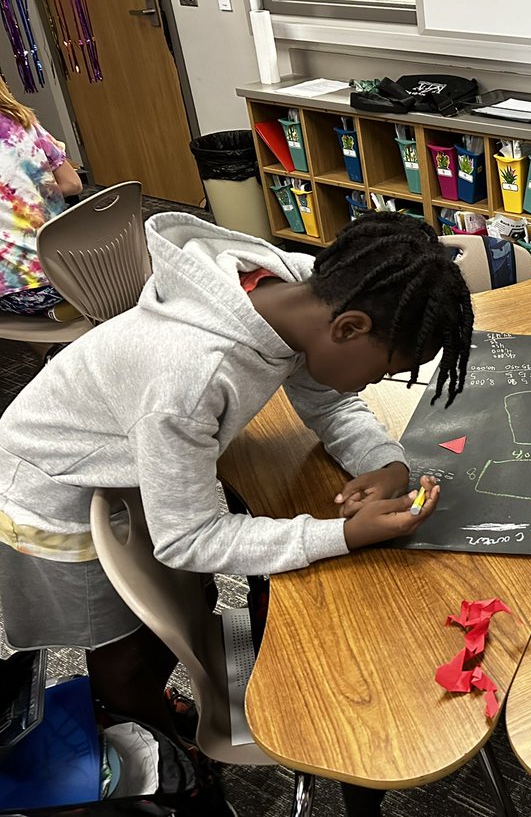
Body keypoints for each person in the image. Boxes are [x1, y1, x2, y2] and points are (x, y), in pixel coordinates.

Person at [0, 211, 474, 754]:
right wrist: (341, 536)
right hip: (54, 493)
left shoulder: (298, 295)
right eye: (385, 369)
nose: (377, 381)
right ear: (350, 328)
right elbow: (190, 539)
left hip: (140, 468)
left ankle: (148, 708)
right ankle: (150, 756)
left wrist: (385, 461)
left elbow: (328, 398)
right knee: (126, 650)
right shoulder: (190, 377)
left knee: (182, 606)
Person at [0, 76, 82, 318]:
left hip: (30, 290)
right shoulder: (22, 121)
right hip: (80, 264)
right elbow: (73, 184)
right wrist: (30, 192)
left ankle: (52, 351)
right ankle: (55, 351)